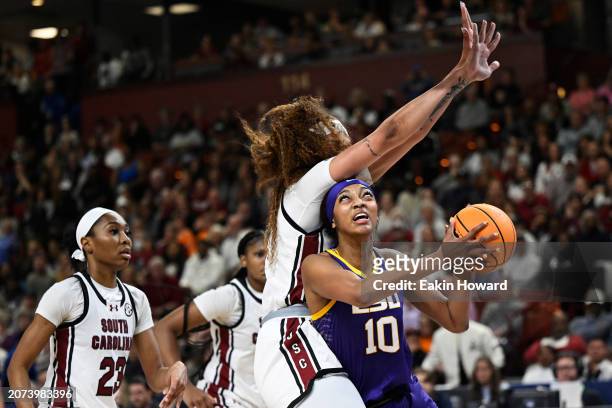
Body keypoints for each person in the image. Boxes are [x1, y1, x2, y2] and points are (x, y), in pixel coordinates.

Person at [246, 3, 503, 406]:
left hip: (377, 370)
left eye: (366, 194)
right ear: (316, 149)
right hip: (291, 329)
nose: (349, 141)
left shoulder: (363, 229)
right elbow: (388, 135)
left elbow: (411, 137)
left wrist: (462, 84)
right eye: (340, 137)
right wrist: (456, 74)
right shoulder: (307, 185)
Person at [301, 179, 497, 406]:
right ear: (332, 220)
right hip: (360, 403)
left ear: (378, 215)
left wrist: (464, 266)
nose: (359, 204)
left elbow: (455, 321)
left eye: (367, 196)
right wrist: (442, 255)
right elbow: (361, 293)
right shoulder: (316, 265)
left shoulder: (393, 260)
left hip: (410, 396)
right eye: (345, 198)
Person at [7, 207, 187, 408]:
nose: (126, 239)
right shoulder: (67, 292)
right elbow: (16, 367)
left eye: (127, 232)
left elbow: (155, 378)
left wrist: (174, 370)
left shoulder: (137, 299)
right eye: (113, 231)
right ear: (87, 243)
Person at [155, 231, 266, 408]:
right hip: (223, 398)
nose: (266, 260)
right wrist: (186, 389)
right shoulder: (231, 296)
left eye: (271, 254)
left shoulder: (283, 298)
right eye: (259, 254)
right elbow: (163, 328)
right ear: (243, 260)